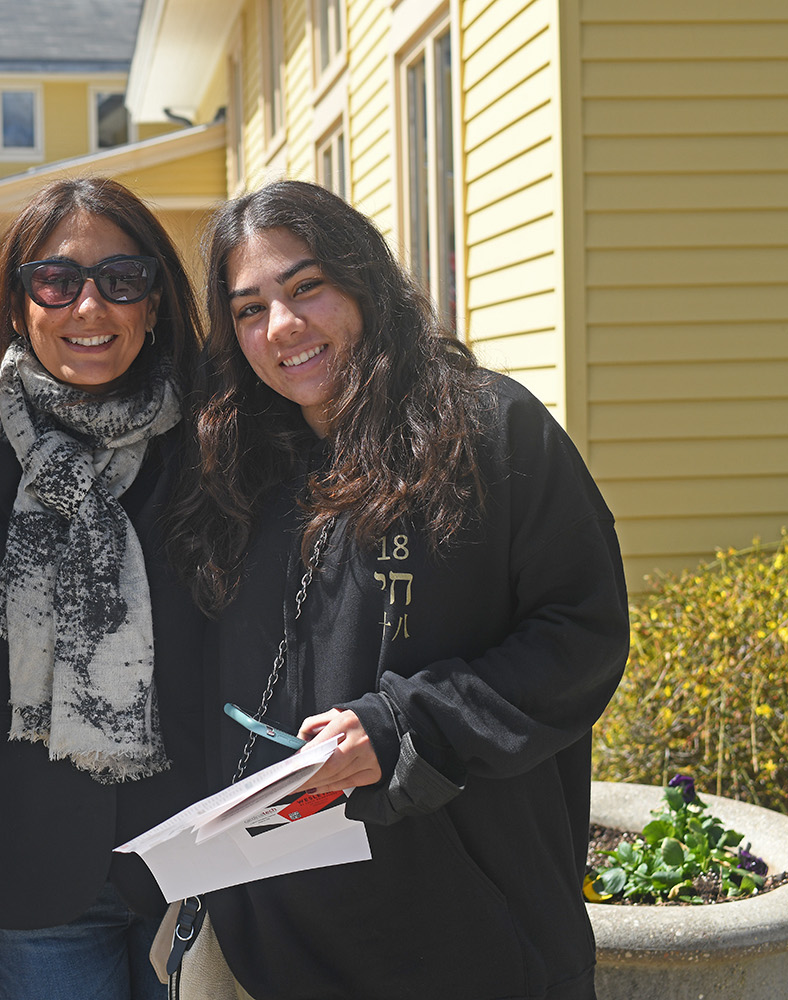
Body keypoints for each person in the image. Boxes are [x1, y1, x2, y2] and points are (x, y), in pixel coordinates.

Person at [168, 181, 630, 999]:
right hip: (278, 946)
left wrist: (401, 726)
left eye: (306, 287)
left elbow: (582, 636)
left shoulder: (488, 432)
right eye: (249, 309)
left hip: (475, 945)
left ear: (364, 279)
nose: (282, 327)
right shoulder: (236, 468)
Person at [0, 177, 207, 1000]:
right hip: (31, 857)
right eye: (56, 282)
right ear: (19, 306)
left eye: (120, 280)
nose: (88, 307)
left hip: (195, 854)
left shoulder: (218, 441)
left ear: (155, 304)